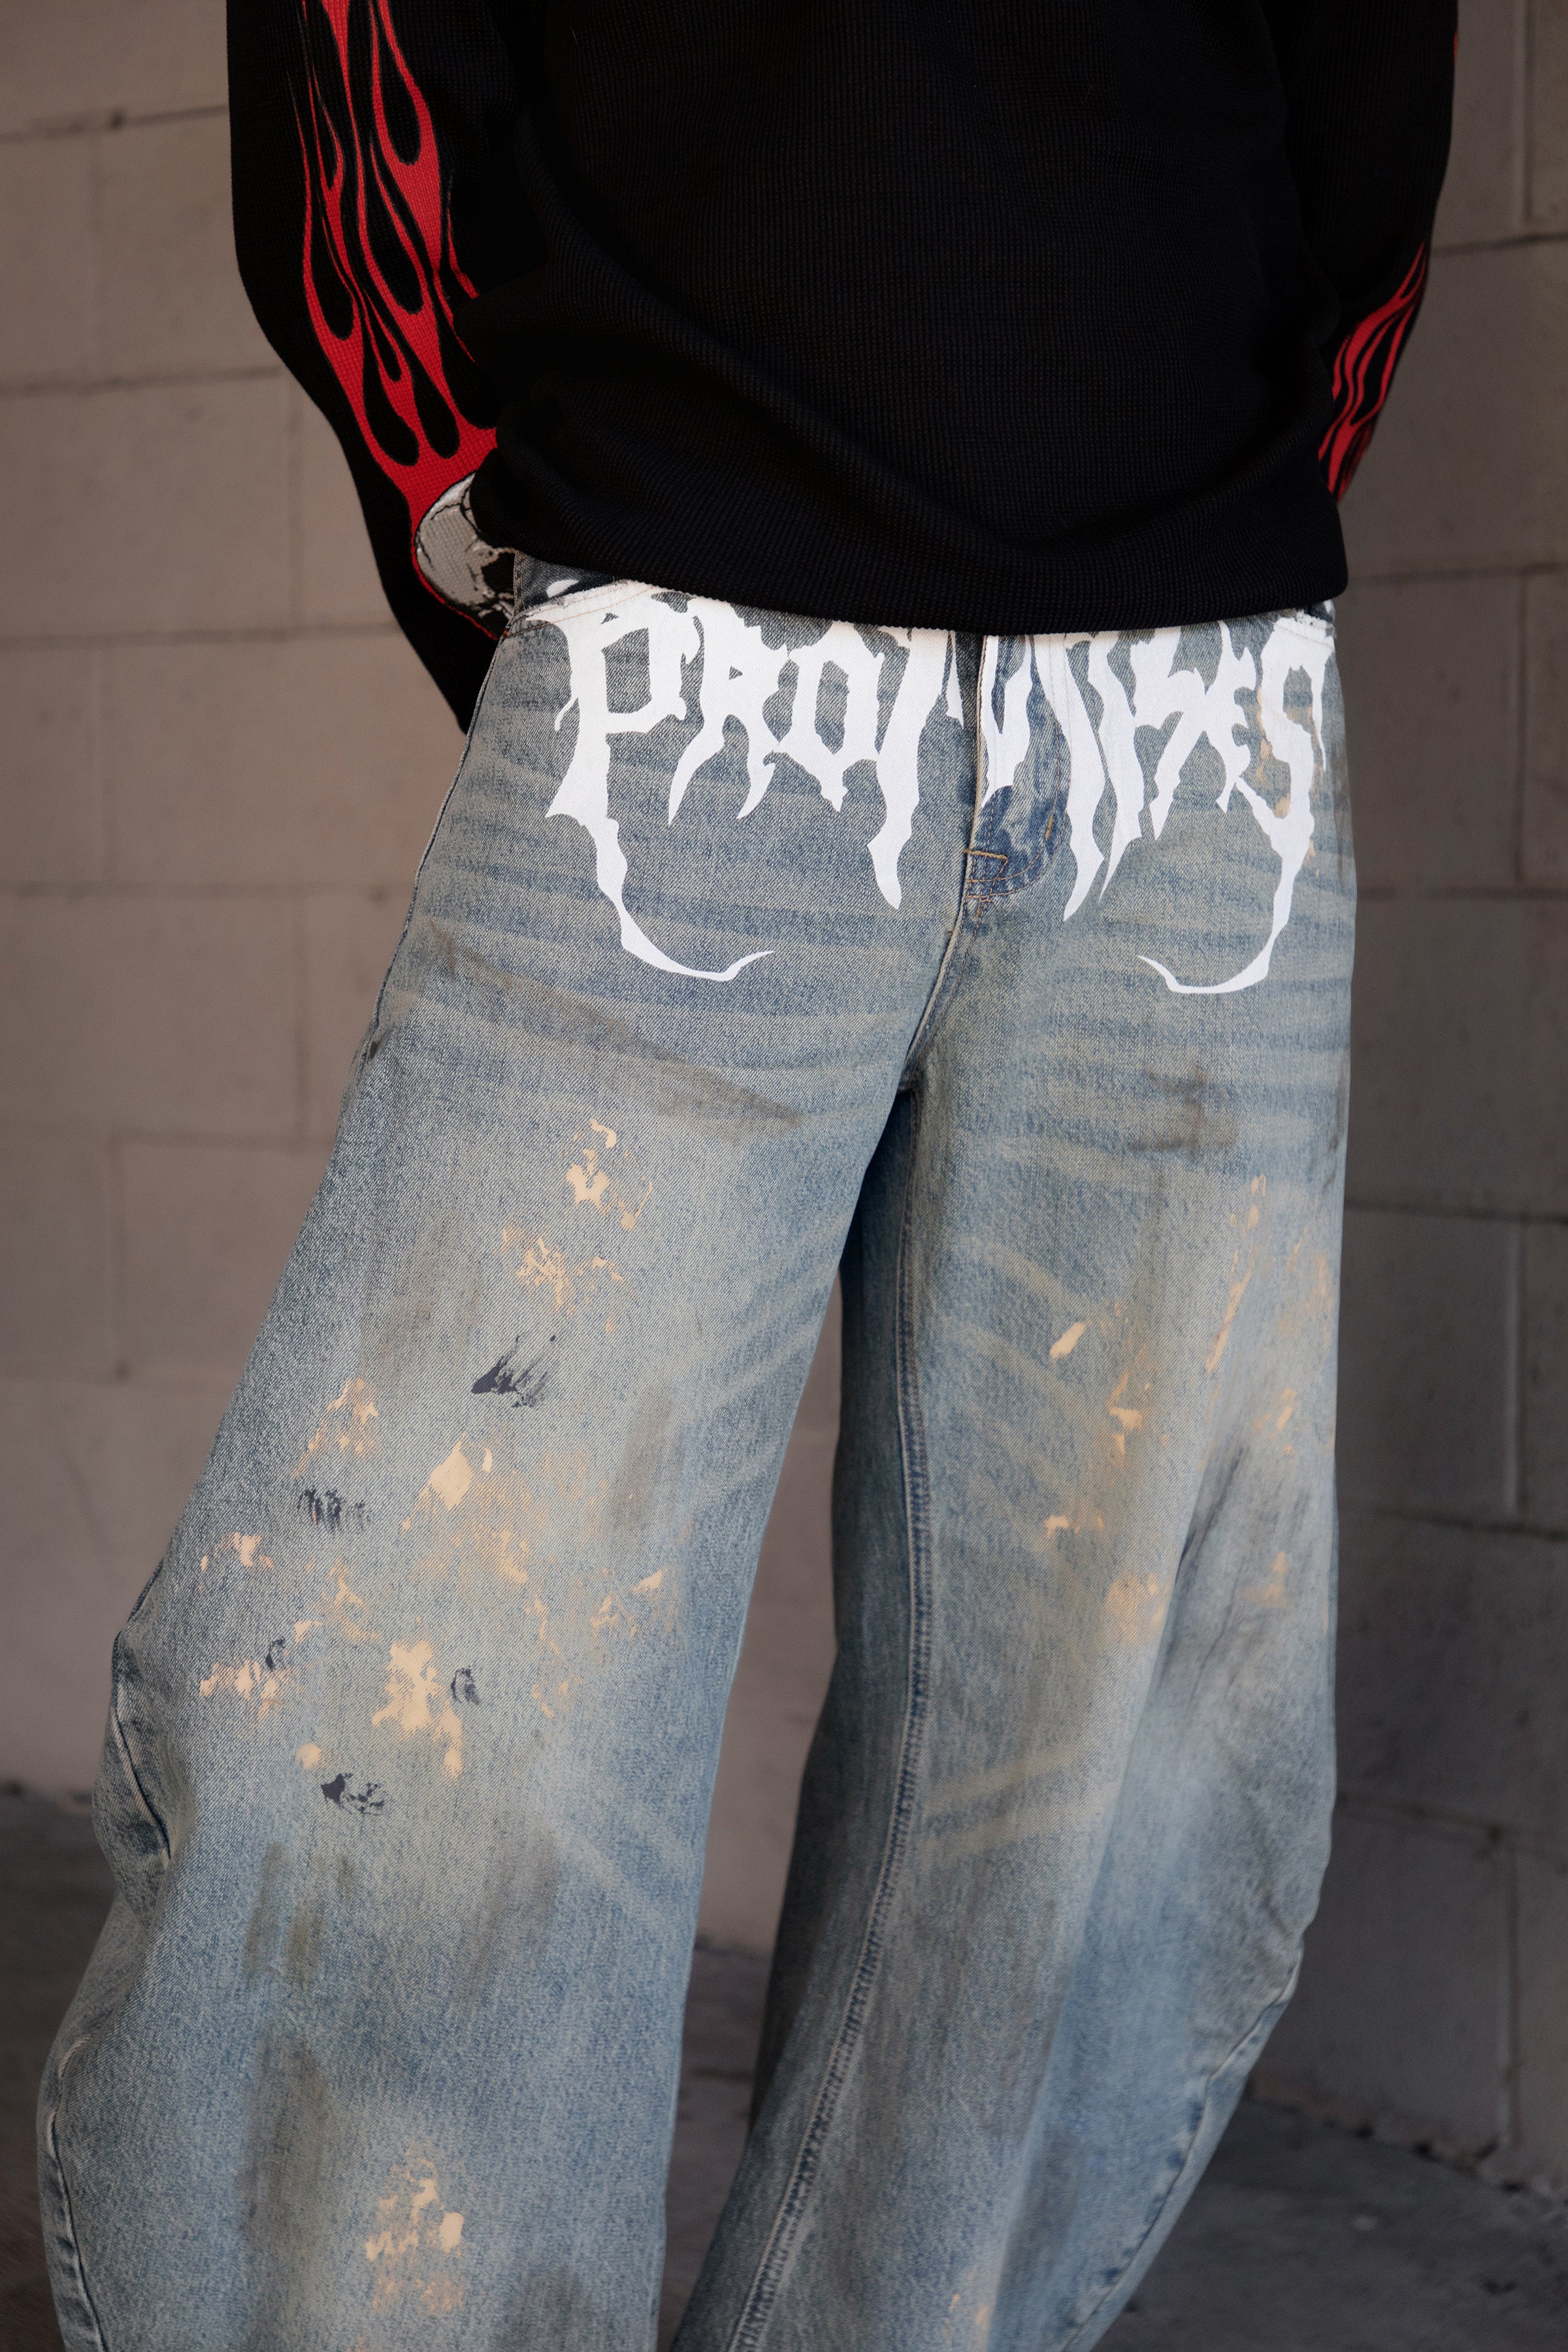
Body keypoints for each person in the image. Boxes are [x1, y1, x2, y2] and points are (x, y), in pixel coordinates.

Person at [39, 7, 1456, 2347]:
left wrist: (1214, 521)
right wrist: (522, 531)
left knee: (1099, 1788)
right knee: (383, 1746)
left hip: (1197, 707)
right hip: (694, 651)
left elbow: (1371, 101)